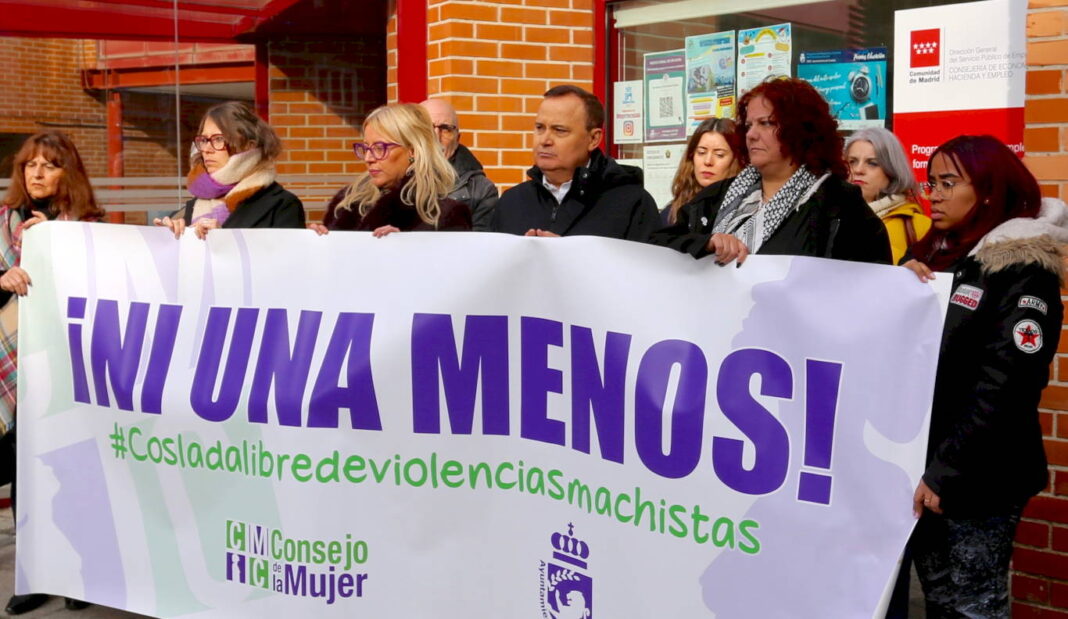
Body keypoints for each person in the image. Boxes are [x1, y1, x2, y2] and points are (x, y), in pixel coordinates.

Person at [904, 135, 1068, 618]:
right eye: (931, 183)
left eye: (948, 183)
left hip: (980, 475)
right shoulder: (938, 255)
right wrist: (901, 284)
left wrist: (945, 472)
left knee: (974, 607)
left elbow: (1005, 385)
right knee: (940, 601)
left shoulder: (1022, 267)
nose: (934, 195)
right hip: (924, 467)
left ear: (990, 191)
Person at [0, 131, 102, 615]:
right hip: (17, 368)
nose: (37, 173)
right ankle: (36, 573)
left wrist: (58, 246)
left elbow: (104, 291)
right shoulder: (3, 223)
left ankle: (81, 576)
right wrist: (3, 279)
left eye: (49, 164)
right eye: (30, 165)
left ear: (68, 172)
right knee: (27, 471)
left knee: (74, 471)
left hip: (71, 365)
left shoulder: (89, 226)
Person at [649, 77, 891, 265]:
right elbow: (654, 248)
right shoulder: (718, 196)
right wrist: (706, 242)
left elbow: (869, 284)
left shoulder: (838, 204)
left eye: (766, 123)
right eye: (748, 125)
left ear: (801, 130)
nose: (751, 134)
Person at [491, 85, 658, 241]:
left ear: (593, 139)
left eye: (559, 130)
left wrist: (571, 255)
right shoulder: (511, 202)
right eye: (540, 128)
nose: (545, 140)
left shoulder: (632, 204)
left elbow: (644, 263)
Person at [311, 103, 471, 235]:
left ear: (413, 151)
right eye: (366, 148)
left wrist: (403, 246)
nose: (368, 158)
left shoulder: (446, 214)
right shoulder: (346, 204)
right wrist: (317, 242)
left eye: (380, 148)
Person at [154, 101, 304, 238]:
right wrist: (170, 235)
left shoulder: (282, 205)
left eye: (218, 139)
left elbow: (284, 258)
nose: (206, 149)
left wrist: (224, 239)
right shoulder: (191, 207)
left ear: (248, 145)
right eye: (204, 140)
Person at [845, 127, 931, 265]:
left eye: (872, 163)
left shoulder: (921, 227)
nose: (858, 170)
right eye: (852, 162)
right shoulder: (826, 220)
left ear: (892, 171)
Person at [420, 98, 499, 231]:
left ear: (457, 139)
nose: (436, 137)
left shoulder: (481, 190)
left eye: (446, 129)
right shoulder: (391, 179)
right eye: (427, 128)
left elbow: (481, 241)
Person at [663, 117, 743, 225]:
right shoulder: (672, 213)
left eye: (719, 155)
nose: (708, 161)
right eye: (701, 152)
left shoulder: (747, 210)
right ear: (692, 156)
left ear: (736, 160)